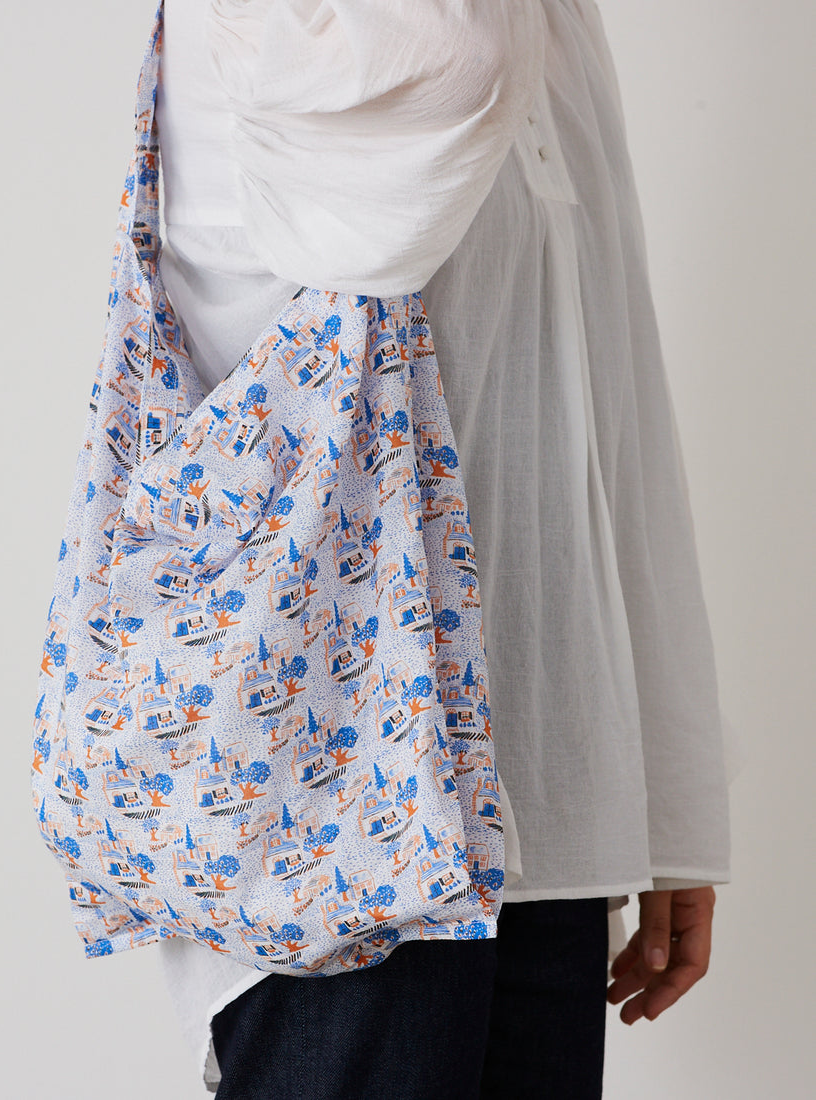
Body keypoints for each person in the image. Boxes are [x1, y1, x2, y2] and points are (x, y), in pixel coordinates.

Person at [149, 1, 734, 1096]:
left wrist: (663, 797)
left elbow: (609, 406)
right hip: (330, 802)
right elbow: (438, 99)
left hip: (543, 800)